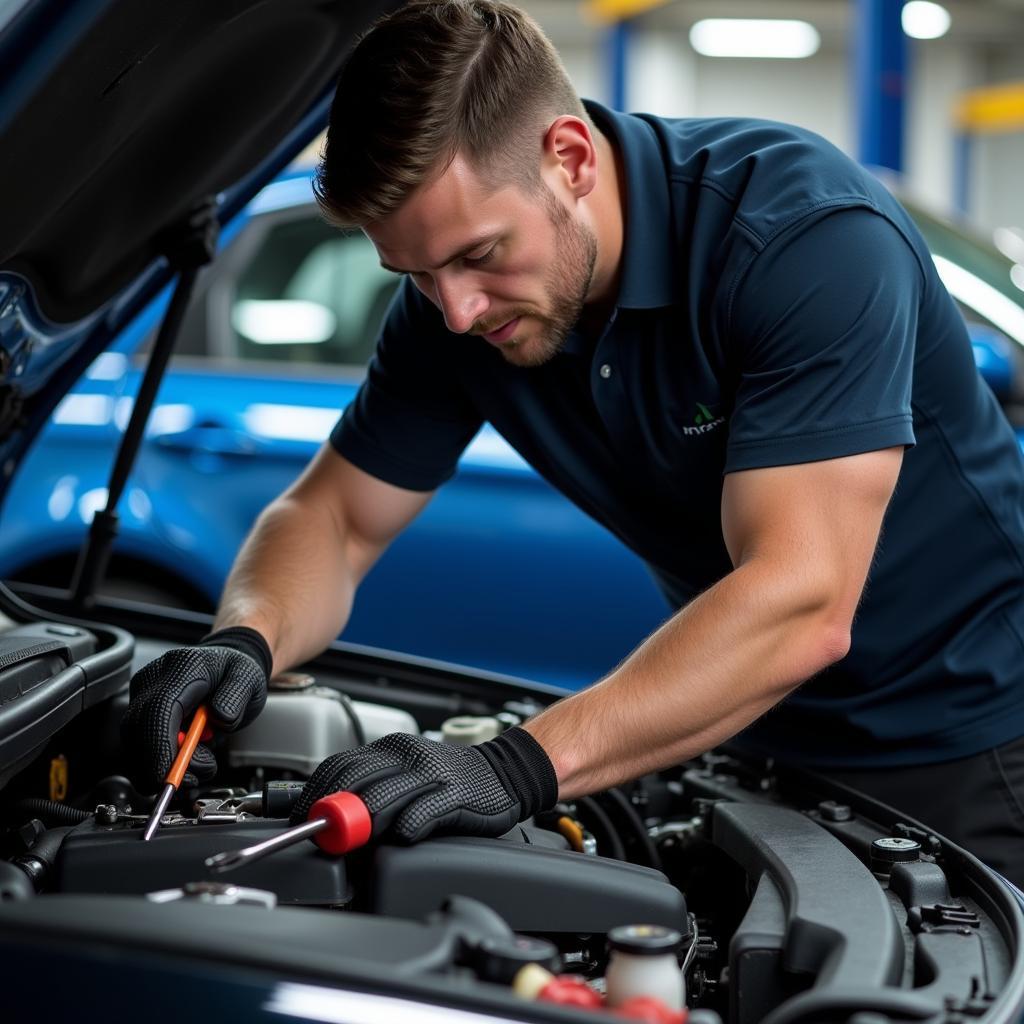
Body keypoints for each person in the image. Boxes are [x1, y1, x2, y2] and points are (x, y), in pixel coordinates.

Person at [121, 0, 1024, 883]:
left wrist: (518, 765)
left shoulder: (797, 238)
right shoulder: (450, 315)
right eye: (416, 272)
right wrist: (248, 636)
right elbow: (335, 517)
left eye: (478, 253)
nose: (457, 310)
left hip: (972, 742)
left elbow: (801, 600)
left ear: (570, 157)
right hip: (750, 736)